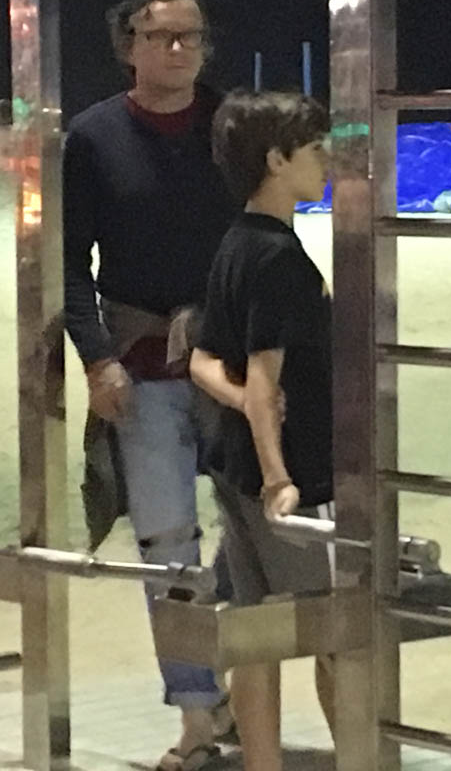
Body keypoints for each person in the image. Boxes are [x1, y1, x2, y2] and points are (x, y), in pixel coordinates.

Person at [63, 0, 240, 771]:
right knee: (166, 545)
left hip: (236, 367)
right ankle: (198, 714)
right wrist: (98, 358)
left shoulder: (233, 127)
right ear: (126, 46)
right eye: (160, 35)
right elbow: (68, 263)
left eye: (190, 35)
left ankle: (243, 691)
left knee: (267, 534)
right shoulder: (93, 138)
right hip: (142, 370)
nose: (177, 49)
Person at [190, 91, 335, 771]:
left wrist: (246, 405)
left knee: (255, 632)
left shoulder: (234, 243)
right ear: (277, 160)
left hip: (232, 466)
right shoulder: (281, 261)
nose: (326, 161)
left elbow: (203, 361)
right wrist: (280, 477)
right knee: (334, 631)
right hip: (285, 474)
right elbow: (264, 377)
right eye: (315, 149)